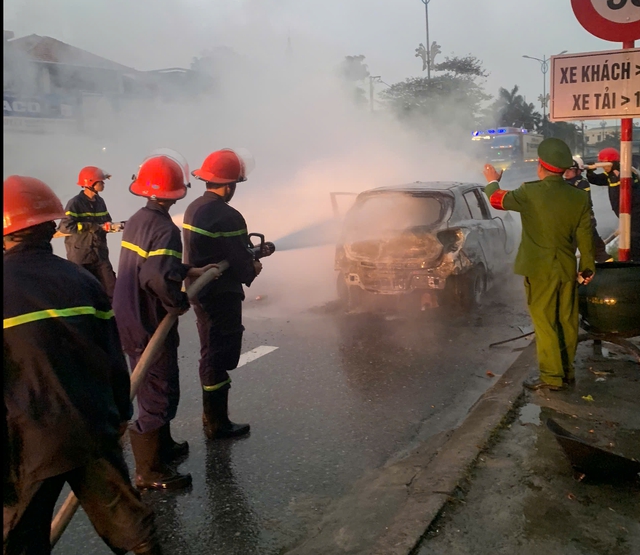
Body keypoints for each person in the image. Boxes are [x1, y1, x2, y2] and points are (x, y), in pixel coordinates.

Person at [3, 175, 161, 554]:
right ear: (49, 226)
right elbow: (112, 353)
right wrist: (120, 412)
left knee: (20, 542)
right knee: (133, 534)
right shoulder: (82, 280)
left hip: (29, 439)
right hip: (92, 426)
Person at [112, 153, 213, 491]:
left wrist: (185, 271)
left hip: (128, 315)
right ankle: (149, 470)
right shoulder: (165, 228)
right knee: (158, 389)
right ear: (176, 193)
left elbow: (151, 264)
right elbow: (156, 277)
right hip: (147, 321)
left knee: (156, 383)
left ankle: (163, 445)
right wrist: (179, 301)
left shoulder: (139, 218)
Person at [482, 138, 595, 391]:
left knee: (544, 322)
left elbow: (497, 200)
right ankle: (566, 371)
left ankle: (551, 377)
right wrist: (587, 267)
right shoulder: (578, 198)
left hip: (540, 270)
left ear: (541, 166)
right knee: (566, 320)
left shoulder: (530, 193)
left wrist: (492, 179)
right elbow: (585, 236)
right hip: (567, 268)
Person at [183, 149, 261, 440]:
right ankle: (218, 423)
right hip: (220, 293)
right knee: (219, 354)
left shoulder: (194, 207)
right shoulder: (228, 216)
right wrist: (252, 266)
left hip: (200, 290)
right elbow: (240, 262)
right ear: (229, 185)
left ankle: (211, 418)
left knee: (210, 350)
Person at [58, 166, 117, 300]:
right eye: (100, 182)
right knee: (84, 294)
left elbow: (106, 220)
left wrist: (109, 226)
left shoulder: (100, 202)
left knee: (112, 290)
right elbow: (65, 227)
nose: (103, 184)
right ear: (90, 183)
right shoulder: (75, 203)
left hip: (100, 254)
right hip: (81, 257)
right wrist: (89, 226)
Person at [586, 147, 640, 261]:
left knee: (634, 240)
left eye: (604, 163)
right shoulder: (609, 175)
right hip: (623, 214)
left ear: (613, 162)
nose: (603, 166)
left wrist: (618, 174)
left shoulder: (627, 173)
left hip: (634, 214)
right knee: (630, 240)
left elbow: (632, 188)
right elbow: (596, 180)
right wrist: (590, 172)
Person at [563, 155, 612, 263]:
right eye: (564, 169)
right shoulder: (563, 183)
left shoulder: (581, 183)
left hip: (585, 225)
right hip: (569, 226)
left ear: (579, 171)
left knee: (597, 252)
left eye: (570, 170)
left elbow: (577, 203)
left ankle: (613, 274)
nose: (566, 172)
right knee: (565, 255)